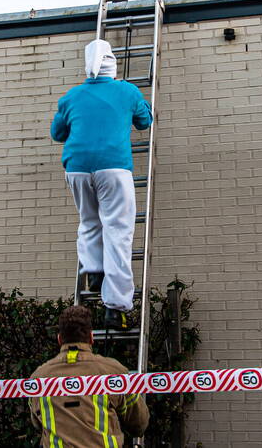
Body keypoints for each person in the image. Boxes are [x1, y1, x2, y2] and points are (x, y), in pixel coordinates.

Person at [51, 39, 152, 330]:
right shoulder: (127, 91)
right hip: (113, 167)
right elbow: (145, 122)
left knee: (89, 222)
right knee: (118, 231)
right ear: (113, 63)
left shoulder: (71, 96)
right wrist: (142, 104)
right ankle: (115, 308)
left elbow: (58, 134)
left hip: (77, 168)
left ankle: (94, 269)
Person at [29, 306, 149, 447]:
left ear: (59, 339)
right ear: (91, 337)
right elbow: (139, 423)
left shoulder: (38, 378)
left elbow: (37, 424)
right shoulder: (114, 372)